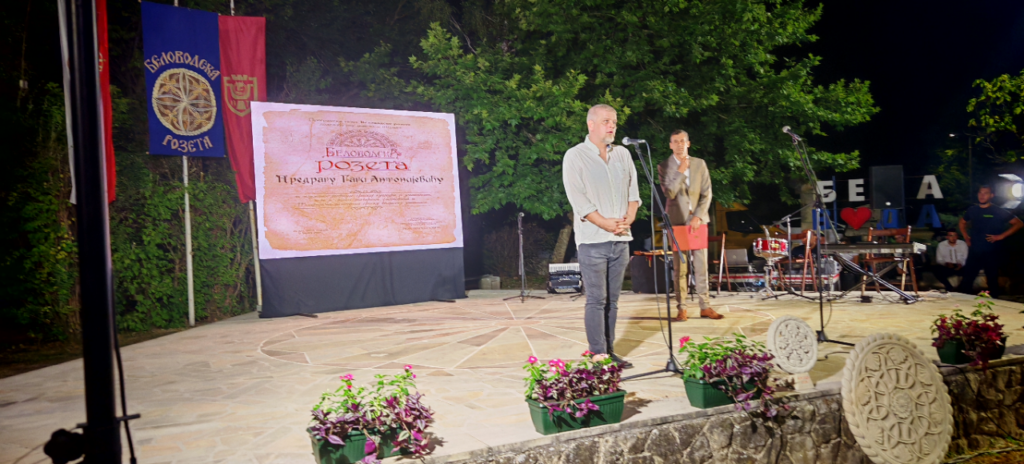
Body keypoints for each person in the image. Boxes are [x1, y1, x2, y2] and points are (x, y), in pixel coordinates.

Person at [562, 104, 641, 368]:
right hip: (592, 240)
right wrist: (605, 223)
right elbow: (579, 200)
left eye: (614, 122)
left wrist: (629, 217)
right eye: (606, 121)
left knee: (613, 301)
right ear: (591, 124)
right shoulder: (575, 156)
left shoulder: (623, 155)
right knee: (597, 299)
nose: (612, 126)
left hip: (621, 239)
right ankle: (597, 353)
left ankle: (609, 350)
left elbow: (633, 192)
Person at [657, 130, 724, 321]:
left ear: (688, 143)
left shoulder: (700, 164)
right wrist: (680, 171)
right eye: (675, 141)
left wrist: (698, 216)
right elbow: (669, 193)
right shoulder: (664, 166)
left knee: (701, 266)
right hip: (677, 222)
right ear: (670, 145)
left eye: (682, 141)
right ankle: (682, 308)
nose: (679, 144)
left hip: (697, 222)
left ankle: (705, 306)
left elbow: (707, 193)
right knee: (680, 268)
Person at [957, 185, 1023, 297]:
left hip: (992, 251)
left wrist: (1001, 236)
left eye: (985, 193)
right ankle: (963, 302)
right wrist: (966, 237)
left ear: (991, 195)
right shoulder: (972, 210)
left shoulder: (998, 211)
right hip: (975, 250)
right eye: (980, 193)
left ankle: (994, 302)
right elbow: (962, 222)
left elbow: (1019, 223)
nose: (982, 195)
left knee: (992, 280)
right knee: (967, 279)